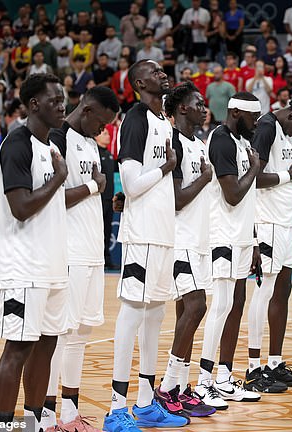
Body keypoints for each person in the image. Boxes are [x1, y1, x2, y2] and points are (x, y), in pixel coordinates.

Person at [103, 60, 188, 430]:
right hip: (140, 236)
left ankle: (146, 403)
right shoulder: (135, 120)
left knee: (155, 316)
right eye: (155, 72)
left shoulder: (162, 121)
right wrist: (167, 167)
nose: (163, 74)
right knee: (133, 314)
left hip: (163, 232)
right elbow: (132, 184)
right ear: (139, 82)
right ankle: (116, 409)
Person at [39, 87, 120, 432]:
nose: (104, 129)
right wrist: (93, 187)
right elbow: (50, 197)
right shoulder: (57, 138)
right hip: (67, 252)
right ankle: (44, 412)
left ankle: (70, 410)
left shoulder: (90, 143)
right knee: (59, 333)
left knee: (82, 333)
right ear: (87, 110)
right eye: (102, 121)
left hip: (91, 252)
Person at [0, 73, 68, 432]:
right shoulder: (17, 143)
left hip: (52, 264)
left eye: (64, 99)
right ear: (34, 104)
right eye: (55, 100)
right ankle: (5, 427)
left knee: (46, 346)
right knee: (18, 348)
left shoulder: (50, 145)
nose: (62, 105)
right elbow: (20, 207)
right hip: (24, 266)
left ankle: (32, 423)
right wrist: (59, 177)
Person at [245, 97, 292, 388]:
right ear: (290, 116)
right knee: (264, 292)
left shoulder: (286, 130)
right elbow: (253, 177)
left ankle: (274, 363)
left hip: (288, 221)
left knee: (284, 289)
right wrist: (289, 175)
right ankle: (254, 368)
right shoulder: (266, 127)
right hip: (268, 222)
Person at [194, 93, 263, 408]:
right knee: (220, 305)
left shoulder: (239, 142)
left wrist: (254, 240)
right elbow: (233, 194)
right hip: (222, 234)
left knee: (235, 303)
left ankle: (223, 377)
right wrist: (256, 168)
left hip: (240, 236)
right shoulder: (221, 140)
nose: (257, 124)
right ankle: (203, 382)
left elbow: (246, 201)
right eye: (253, 117)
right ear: (236, 112)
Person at [153, 82, 216, 417]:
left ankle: (180, 385)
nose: (204, 107)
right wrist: (204, 179)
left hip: (200, 238)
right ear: (180, 109)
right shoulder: (174, 140)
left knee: (186, 313)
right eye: (198, 102)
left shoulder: (200, 143)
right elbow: (175, 199)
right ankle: (166, 386)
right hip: (181, 239)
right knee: (196, 307)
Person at [94, 126, 119, 270]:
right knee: (98, 231)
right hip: (99, 199)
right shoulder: (95, 153)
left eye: (108, 134)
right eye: (104, 133)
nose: (108, 136)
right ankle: (98, 258)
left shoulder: (109, 155)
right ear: (96, 136)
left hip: (109, 199)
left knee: (107, 231)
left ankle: (107, 258)